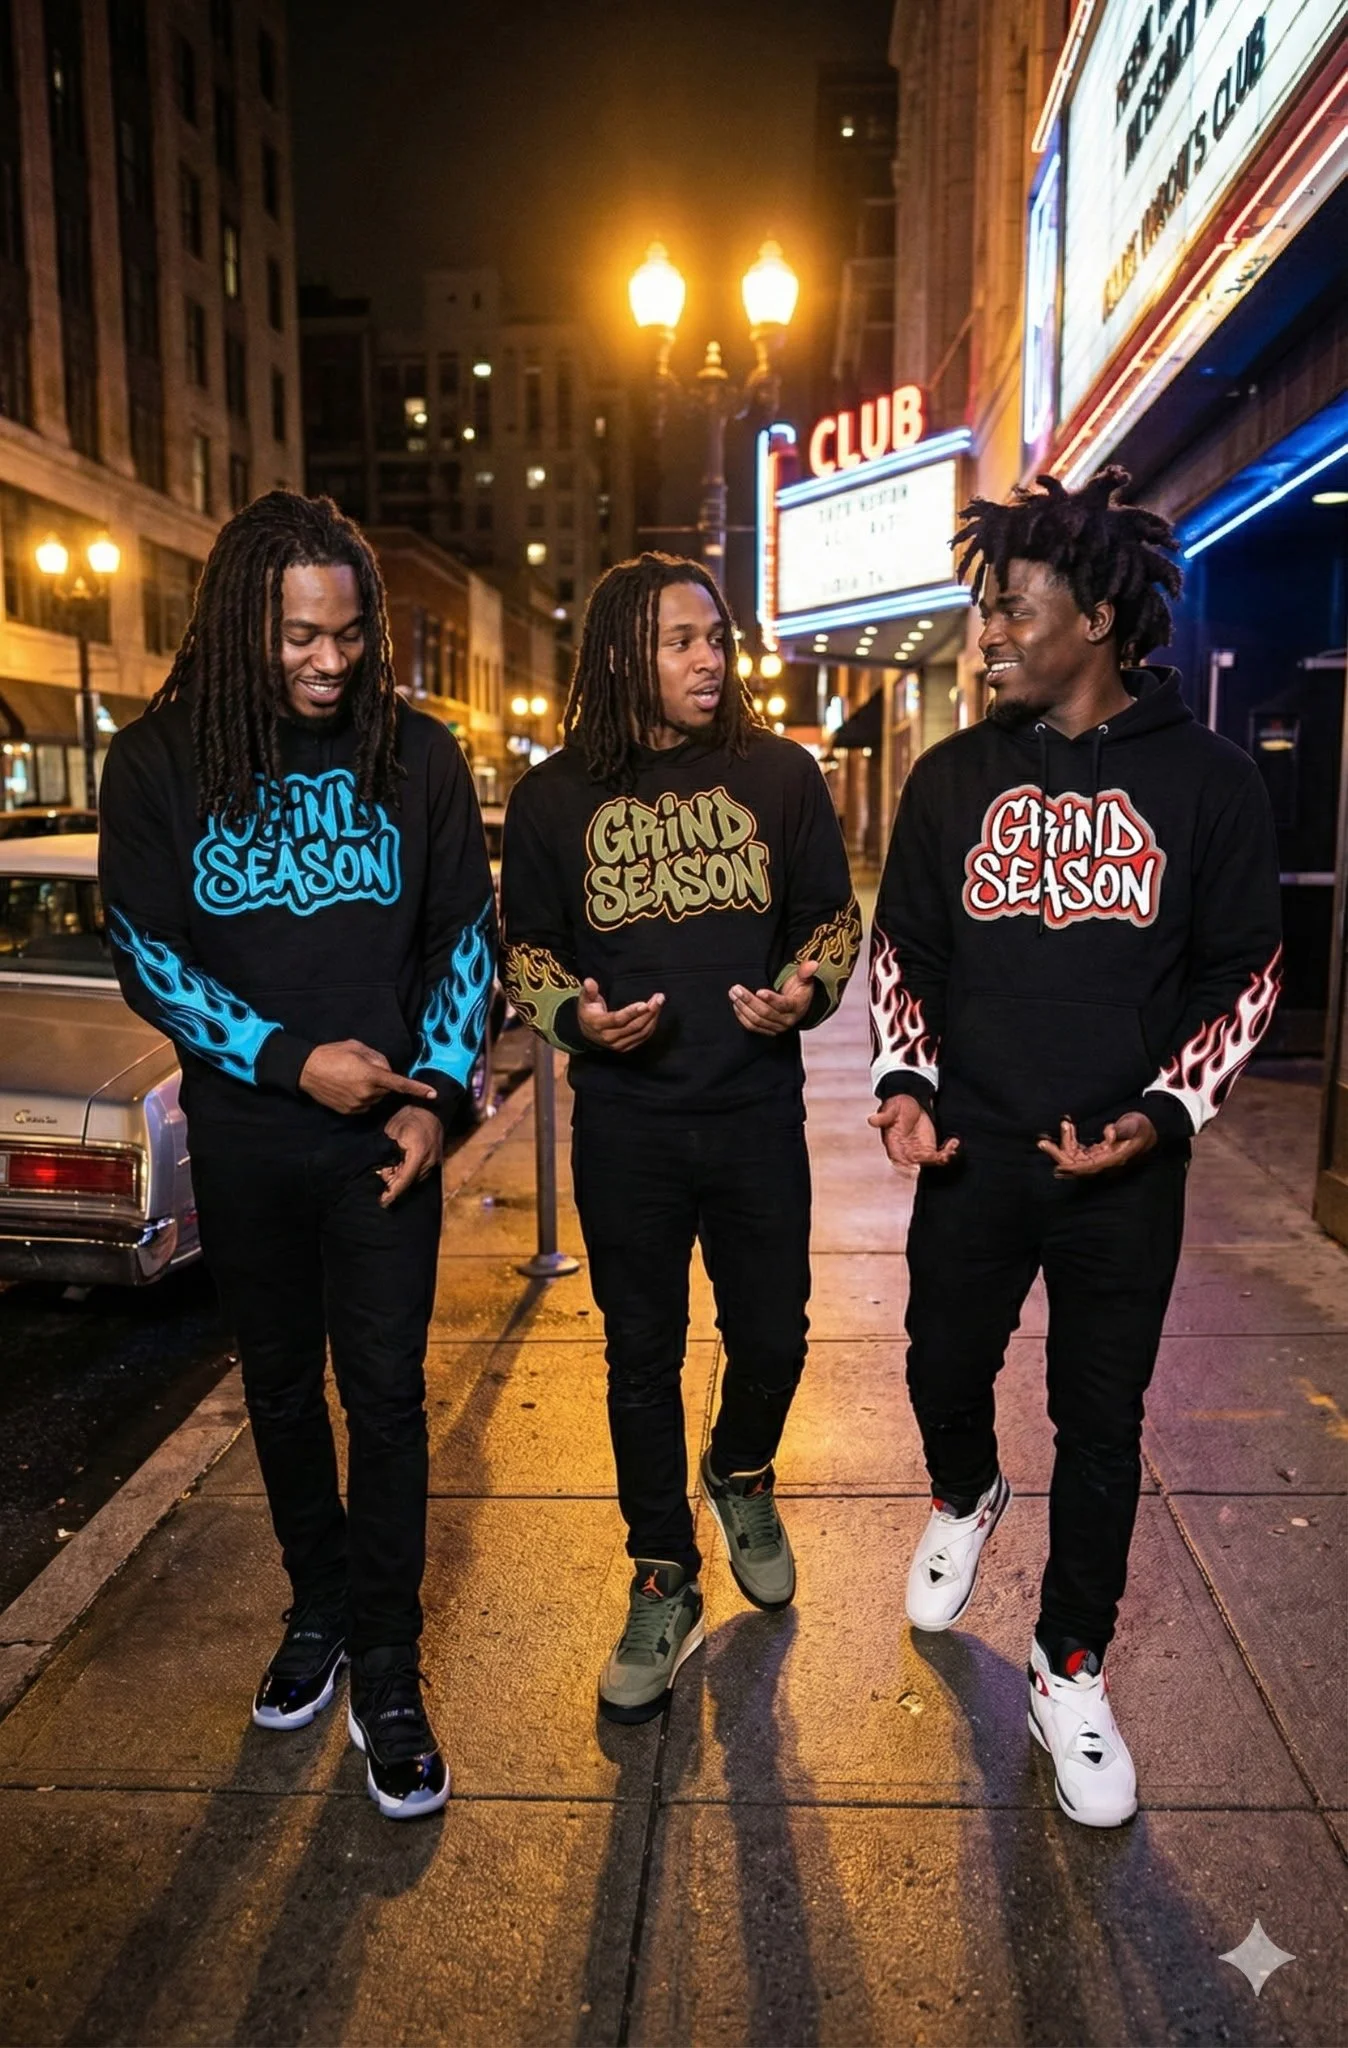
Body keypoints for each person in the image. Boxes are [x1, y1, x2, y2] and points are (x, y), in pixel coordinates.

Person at [869, 468, 1281, 1827]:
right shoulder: (950, 778)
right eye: (984, 608)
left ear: (1097, 617)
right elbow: (906, 949)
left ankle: (1069, 1666)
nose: (986, 633)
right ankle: (964, 1487)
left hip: (1124, 1168)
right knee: (941, 1361)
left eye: (1012, 608)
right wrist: (906, 1083)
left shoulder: (1211, 784)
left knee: (1100, 1421)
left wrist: (1160, 1115)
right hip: (975, 1152)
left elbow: (1245, 970)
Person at [99, 492, 494, 1820]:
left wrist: (437, 1098)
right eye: (300, 637)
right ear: (240, 625)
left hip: (386, 1147)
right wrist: (288, 1059)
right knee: (277, 1390)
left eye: (349, 633)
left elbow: (462, 936)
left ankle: (389, 1662)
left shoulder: (416, 755)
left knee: (385, 1400)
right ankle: (317, 1605)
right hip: (250, 1139)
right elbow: (148, 954)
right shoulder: (160, 761)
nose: (331, 661)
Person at [500, 552, 859, 1723]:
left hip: (753, 1112)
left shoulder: (780, 774)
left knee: (774, 1333)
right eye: (682, 640)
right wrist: (577, 1017)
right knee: (639, 1355)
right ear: (622, 654)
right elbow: (526, 949)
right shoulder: (554, 797)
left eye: (718, 638)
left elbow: (831, 917)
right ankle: (662, 1570)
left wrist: (805, 988)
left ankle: (740, 1466)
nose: (711, 659)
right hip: (628, 1126)